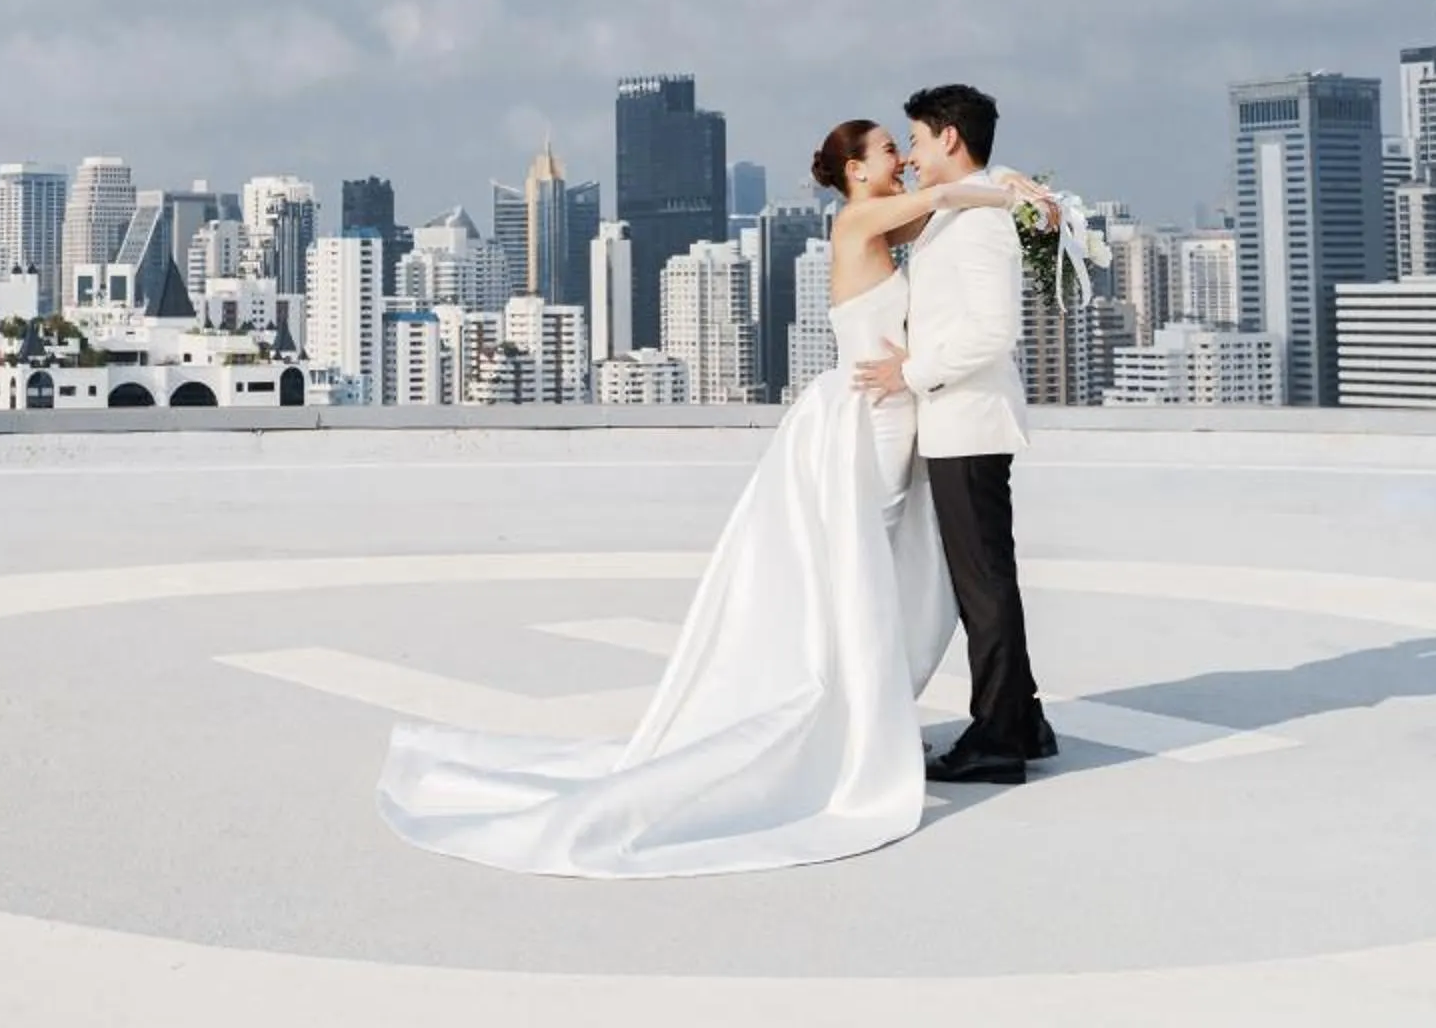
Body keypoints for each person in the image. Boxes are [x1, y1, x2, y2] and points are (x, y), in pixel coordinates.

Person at [373, 117, 1048, 876]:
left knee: (872, 572)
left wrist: (1007, 190)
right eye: (891, 149)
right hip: (867, 417)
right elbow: (955, 195)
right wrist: (1006, 187)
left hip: (887, 414)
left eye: (907, 143)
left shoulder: (892, 215)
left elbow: (950, 205)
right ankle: (850, 723)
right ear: (858, 172)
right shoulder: (862, 217)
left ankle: (878, 715)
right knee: (858, 572)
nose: (904, 157)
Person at [851, 83, 1057, 785]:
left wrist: (912, 372)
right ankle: (1022, 721)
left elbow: (992, 333)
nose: (908, 153)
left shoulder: (979, 222)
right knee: (988, 579)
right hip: (956, 422)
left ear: (947, 137)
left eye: (914, 139)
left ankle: (997, 738)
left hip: (966, 421)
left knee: (983, 586)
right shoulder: (966, 208)